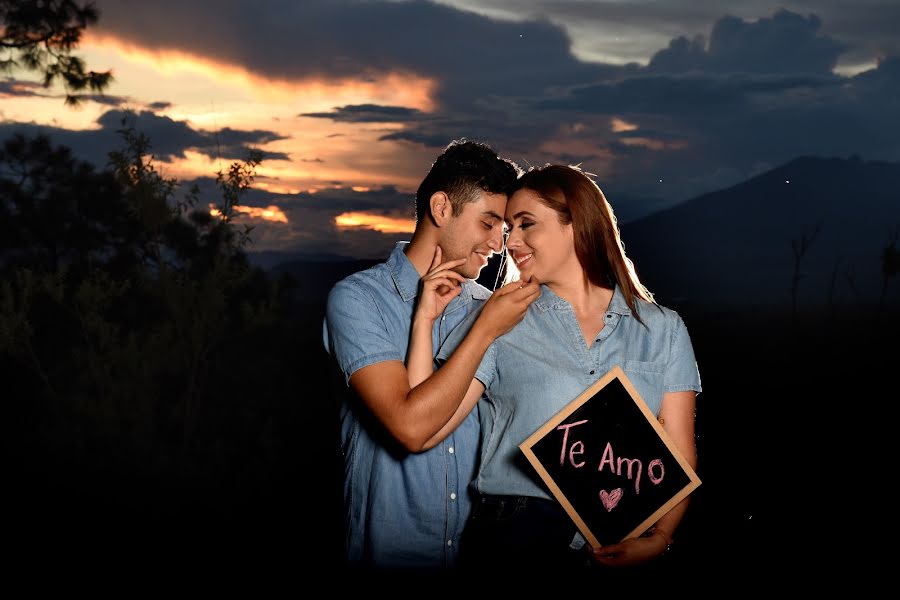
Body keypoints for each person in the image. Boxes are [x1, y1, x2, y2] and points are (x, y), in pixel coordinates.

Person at [407, 163, 702, 572]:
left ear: (576, 225)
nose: (512, 242)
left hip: (621, 540)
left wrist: (661, 539)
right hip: (516, 537)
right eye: (510, 229)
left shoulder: (662, 329)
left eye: (527, 225)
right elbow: (425, 429)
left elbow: (679, 453)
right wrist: (424, 323)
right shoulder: (501, 319)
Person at [322, 139, 539, 570]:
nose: (499, 243)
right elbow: (409, 428)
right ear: (441, 209)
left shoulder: (488, 306)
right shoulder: (358, 300)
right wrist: (485, 331)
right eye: (488, 223)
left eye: (504, 229)